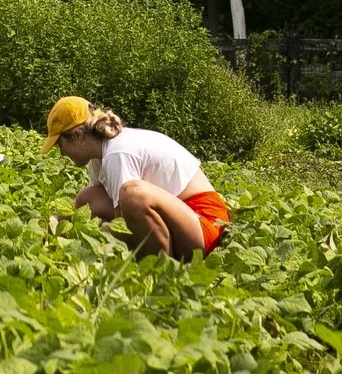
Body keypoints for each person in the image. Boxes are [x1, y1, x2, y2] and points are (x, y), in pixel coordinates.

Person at [41, 96, 229, 259]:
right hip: (179, 218)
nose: (62, 153)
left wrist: (95, 234)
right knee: (87, 198)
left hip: (205, 223)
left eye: (60, 145)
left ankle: (163, 271)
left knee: (132, 194)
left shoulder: (117, 153)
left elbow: (122, 225)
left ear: (76, 137)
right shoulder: (98, 158)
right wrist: (53, 227)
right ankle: (50, 239)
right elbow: (93, 208)